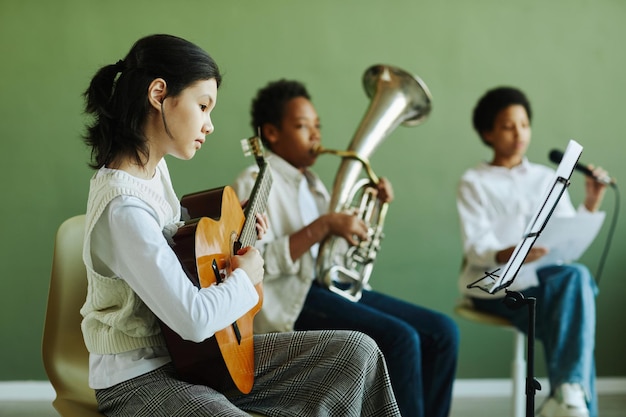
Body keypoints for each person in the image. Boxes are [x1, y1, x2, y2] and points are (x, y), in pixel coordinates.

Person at [79, 34, 402, 417]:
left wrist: (234, 229)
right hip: (138, 379)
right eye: (203, 106)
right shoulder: (123, 207)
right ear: (158, 93)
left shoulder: (152, 170)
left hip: (192, 358)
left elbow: (177, 251)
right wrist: (245, 277)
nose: (209, 124)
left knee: (355, 353)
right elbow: (194, 319)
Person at [232, 79, 459, 417]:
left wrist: (365, 215)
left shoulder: (313, 185)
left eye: (317, 126)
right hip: (292, 300)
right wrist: (324, 226)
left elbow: (332, 254)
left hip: (327, 289)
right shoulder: (254, 179)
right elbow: (253, 262)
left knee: (443, 332)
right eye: (302, 126)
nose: (315, 135)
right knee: (400, 339)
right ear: (272, 133)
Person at [456, 86, 609, 417]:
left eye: (524, 124)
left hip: (545, 284)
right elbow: (475, 247)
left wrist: (592, 202)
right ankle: (569, 398)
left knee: (576, 279)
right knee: (576, 309)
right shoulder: (474, 182)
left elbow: (569, 237)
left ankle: (567, 397)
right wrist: (511, 253)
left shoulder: (546, 179)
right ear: (488, 133)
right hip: (496, 288)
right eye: (508, 126)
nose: (519, 133)